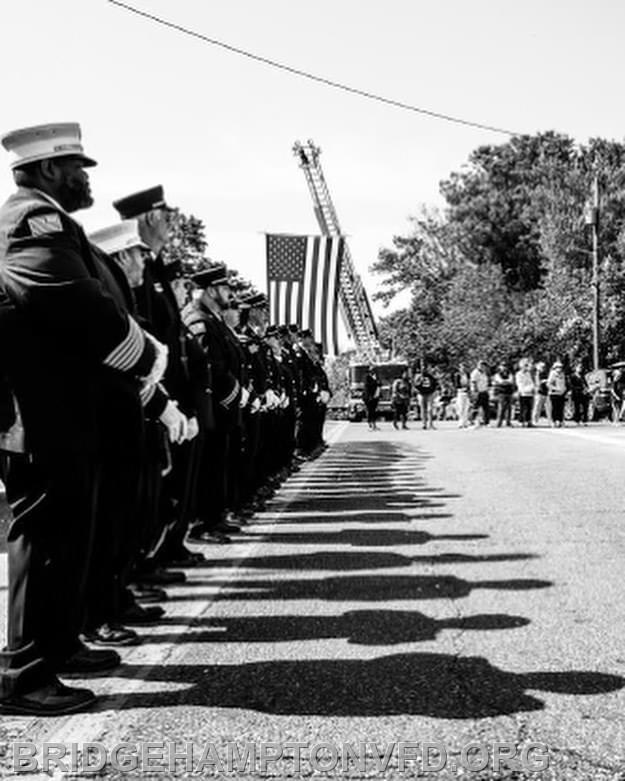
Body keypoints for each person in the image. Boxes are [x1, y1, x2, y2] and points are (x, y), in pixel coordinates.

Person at [0, 123, 166, 714]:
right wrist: (146, 353)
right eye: (78, 167)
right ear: (47, 171)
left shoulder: (48, 219)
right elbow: (70, 302)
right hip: (42, 415)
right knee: (46, 542)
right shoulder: (29, 221)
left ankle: (58, 647)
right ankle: (24, 675)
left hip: (63, 410)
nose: (86, 177)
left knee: (69, 540)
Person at [413, 362, 438, 430]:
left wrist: (433, 391)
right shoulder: (418, 376)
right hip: (421, 394)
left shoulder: (430, 376)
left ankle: (431, 424)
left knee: (430, 409)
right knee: (423, 409)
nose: (424, 369)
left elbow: (435, 384)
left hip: (429, 394)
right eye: (423, 368)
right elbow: (415, 385)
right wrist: (419, 383)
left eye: (425, 368)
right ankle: (424, 424)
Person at [492, 362, 515, 427]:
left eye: (505, 366)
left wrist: (505, 382)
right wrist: (506, 382)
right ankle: (499, 422)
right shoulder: (497, 374)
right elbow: (500, 381)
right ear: (500, 367)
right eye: (503, 366)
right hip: (501, 393)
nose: (504, 367)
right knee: (501, 407)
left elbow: (511, 381)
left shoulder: (510, 374)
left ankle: (508, 422)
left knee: (509, 408)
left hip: (509, 392)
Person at [470, 360, 490, 427]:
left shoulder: (484, 373)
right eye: (481, 365)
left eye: (484, 365)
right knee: (475, 407)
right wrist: (476, 392)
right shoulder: (475, 373)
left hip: (484, 391)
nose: (483, 367)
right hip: (477, 392)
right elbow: (473, 382)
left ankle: (486, 422)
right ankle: (472, 421)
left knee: (486, 408)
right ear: (478, 365)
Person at [547, 361, 567, 427]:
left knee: (561, 408)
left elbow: (563, 383)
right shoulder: (552, 374)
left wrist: (564, 389)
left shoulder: (562, 374)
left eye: (561, 367)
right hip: (554, 394)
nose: (560, 368)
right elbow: (549, 384)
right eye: (558, 367)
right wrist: (556, 388)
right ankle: (554, 421)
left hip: (561, 393)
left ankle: (560, 420)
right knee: (555, 408)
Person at [515, 359, 535, 428]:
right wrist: (527, 389)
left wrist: (532, 388)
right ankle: (521, 421)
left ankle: (528, 421)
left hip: (529, 393)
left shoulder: (528, 374)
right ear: (521, 366)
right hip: (522, 393)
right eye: (525, 365)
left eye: (527, 365)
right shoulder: (518, 374)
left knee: (529, 408)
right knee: (523, 408)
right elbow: (519, 384)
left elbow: (531, 382)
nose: (527, 367)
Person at [532, 360, 550, 426]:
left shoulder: (546, 373)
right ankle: (534, 421)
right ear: (538, 367)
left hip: (546, 392)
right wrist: (543, 381)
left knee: (549, 408)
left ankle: (550, 421)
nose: (543, 368)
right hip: (539, 392)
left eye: (544, 367)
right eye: (542, 367)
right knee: (537, 407)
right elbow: (537, 383)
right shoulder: (536, 374)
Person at [454, 362, 471, 428]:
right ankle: (460, 422)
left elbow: (469, 383)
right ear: (460, 368)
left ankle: (465, 422)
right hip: (460, 392)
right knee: (461, 408)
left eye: (465, 367)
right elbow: (456, 385)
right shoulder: (457, 375)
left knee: (466, 407)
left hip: (467, 392)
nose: (463, 369)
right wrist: (462, 388)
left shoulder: (468, 374)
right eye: (462, 367)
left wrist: (468, 389)